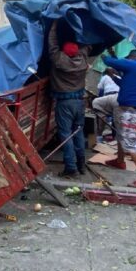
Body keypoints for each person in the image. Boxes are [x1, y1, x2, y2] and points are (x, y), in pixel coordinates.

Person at [103, 48, 136, 189]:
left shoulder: (135, 64)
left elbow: (109, 61)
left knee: (130, 143)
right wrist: (113, 77)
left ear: (132, 57)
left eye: (128, 58)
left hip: (134, 109)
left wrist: (104, 54)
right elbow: (125, 84)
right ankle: (120, 161)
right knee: (121, 135)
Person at [47, 20, 91, 178]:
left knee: (65, 134)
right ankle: (81, 165)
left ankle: (70, 167)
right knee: (78, 132)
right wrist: (81, 25)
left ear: (64, 52)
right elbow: (87, 43)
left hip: (64, 103)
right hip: (80, 102)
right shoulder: (84, 59)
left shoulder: (59, 59)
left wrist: (54, 25)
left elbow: (52, 44)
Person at [93, 67, 121, 143]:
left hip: (108, 97)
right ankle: (116, 138)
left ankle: (99, 137)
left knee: (102, 117)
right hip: (119, 97)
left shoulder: (104, 77)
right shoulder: (118, 77)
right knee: (117, 119)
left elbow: (100, 88)